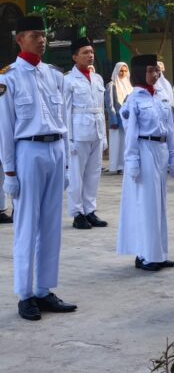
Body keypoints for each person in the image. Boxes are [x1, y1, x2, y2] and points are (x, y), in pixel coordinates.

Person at [0, 15, 77, 321]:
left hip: (55, 148)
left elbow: (65, 121)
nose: (42, 40)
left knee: (50, 225)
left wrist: (68, 162)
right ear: (19, 39)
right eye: (34, 35)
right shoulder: (8, 78)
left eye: (43, 34)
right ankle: (25, 294)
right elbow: (5, 128)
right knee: (27, 226)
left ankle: (44, 289)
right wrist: (9, 173)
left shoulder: (55, 75)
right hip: (28, 150)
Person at [116, 54, 174, 271]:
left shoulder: (161, 96)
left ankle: (159, 253)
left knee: (159, 205)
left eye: (156, 70)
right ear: (141, 72)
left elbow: (170, 129)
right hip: (144, 150)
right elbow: (131, 134)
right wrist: (131, 161)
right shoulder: (133, 100)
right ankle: (145, 255)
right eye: (150, 70)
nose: (155, 74)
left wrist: (172, 155)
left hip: (160, 149)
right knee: (146, 205)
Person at [63, 37, 108, 230]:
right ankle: (77, 213)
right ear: (75, 57)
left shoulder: (97, 78)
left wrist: (104, 136)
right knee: (76, 175)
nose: (90, 56)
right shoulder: (68, 80)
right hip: (78, 132)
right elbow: (65, 111)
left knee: (93, 173)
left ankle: (90, 210)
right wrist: (68, 139)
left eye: (91, 52)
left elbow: (101, 108)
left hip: (96, 131)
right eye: (85, 52)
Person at [106, 62, 132, 173]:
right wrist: (113, 119)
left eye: (125, 71)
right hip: (117, 118)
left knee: (126, 143)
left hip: (128, 119)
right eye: (121, 70)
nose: (123, 73)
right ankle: (117, 166)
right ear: (116, 71)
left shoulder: (129, 85)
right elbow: (109, 104)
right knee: (117, 143)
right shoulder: (111, 85)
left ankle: (124, 165)